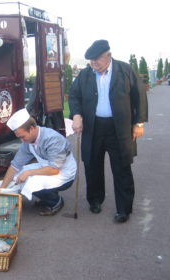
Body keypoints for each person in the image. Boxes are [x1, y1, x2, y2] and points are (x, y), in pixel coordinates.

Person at [68, 40, 148, 223]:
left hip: (119, 128)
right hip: (93, 127)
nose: (93, 64)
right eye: (90, 61)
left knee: (122, 168)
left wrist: (139, 123)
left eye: (96, 60)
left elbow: (139, 96)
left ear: (108, 56)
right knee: (92, 165)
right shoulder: (86, 74)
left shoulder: (125, 70)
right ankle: (95, 200)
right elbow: (74, 95)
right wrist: (77, 115)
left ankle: (124, 208)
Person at [0, 108, 77, 216]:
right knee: (19, 175)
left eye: (22, 136)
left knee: (30, 181)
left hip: (64, 173)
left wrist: (29, 173)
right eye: (19, 137)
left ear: (32, 128)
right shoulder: (27, 141)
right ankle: (48, 195)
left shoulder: (52, 139)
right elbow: (15, 165)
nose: (22, 140)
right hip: (47, 167)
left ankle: (56, 202)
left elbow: (54, 169)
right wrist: (1, 189)